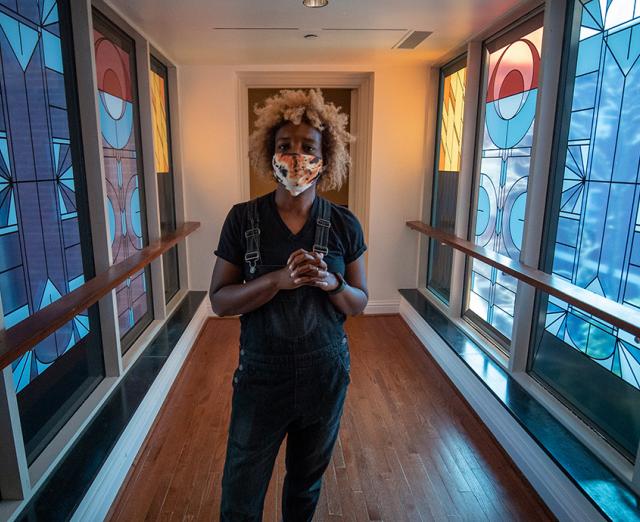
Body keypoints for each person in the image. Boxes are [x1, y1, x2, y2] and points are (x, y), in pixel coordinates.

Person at [210, 88, 368, 521]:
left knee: (304, 486)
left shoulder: (343, 223)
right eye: (285, 147)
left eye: (307, 148)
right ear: (269, 154)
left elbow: (359, 303)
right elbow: (220, 301)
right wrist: (277, 281)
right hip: (262, 378)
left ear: (326, 156)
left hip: (325, 377)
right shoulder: (243, 220)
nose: (296, 157)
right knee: (241, 492)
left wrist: (332, 281)